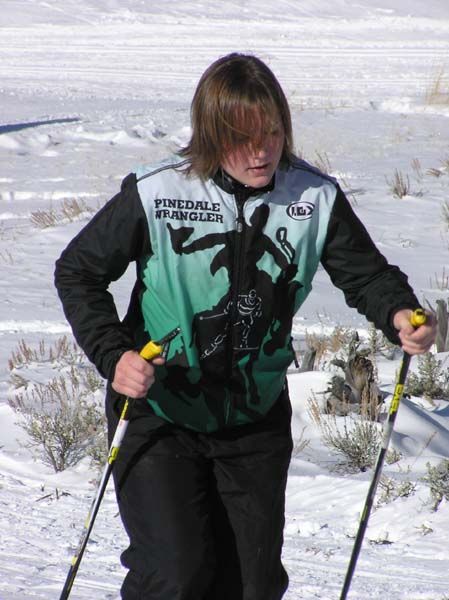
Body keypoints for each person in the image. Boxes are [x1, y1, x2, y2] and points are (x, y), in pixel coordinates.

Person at [54, 52, 436, 600]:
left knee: (251, 585)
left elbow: (368, 275)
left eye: (273, 134)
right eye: (243, 138)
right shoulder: (159, 192)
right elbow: (78, 271)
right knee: (176, 576)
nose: (261, 152)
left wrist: (400, 312)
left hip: (252, 417)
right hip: (160, 409)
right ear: (211, 134)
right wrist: (115, 355)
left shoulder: (312, 197)